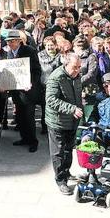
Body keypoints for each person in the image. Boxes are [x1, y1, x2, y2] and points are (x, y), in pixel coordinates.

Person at [44, 53, 83, 195]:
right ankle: (61, 180)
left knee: (68, 149)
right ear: (66, 64)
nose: (77, 70)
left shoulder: (76, 76)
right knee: (58, 152)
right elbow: (51, 100)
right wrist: (71, 108)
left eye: (79, 67)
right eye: (74, 67)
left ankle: (66, 172)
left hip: (72, 121)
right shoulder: (56, 77)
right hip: (58, 122)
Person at [0, 30, 41, 152]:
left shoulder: (29, 51)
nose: (10, 44)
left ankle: (33, 141)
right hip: (16, 91)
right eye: (8, 41)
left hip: (28, 91)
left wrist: (31, 82)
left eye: (12, 41)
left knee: (29, 117)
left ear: (19, 41)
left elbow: (37, 70)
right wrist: (4, 84)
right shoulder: (8, 53)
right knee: (20, 117)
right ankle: (24, 138)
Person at [38, 36, 61, 134]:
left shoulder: (59, 56)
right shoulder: (40, 55)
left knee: (54, 106)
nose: (49, 47)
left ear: (56, 46)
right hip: (43, 84)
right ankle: (44, 126)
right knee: (44, 107)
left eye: (51, 45)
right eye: (47, 45)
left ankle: (54, 126)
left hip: (56, 84)